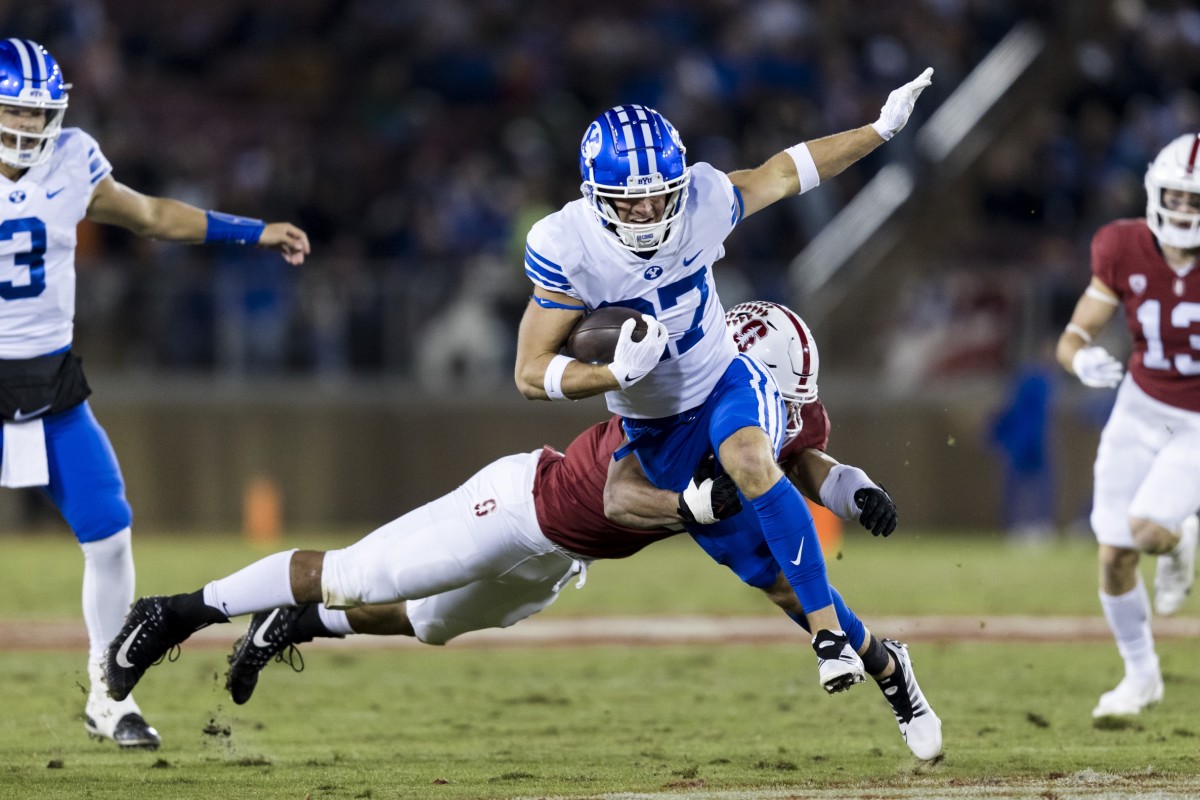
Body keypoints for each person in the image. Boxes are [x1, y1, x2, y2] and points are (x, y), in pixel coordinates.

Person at [104, 300, 941, 761]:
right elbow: (619, 500)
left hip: (560, 560)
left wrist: (856, 488)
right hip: (523, 507)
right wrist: (692, 509)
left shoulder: (769, 411)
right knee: (359, 574)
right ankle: (177, 611)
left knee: (427, 624)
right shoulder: (665, 407)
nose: (782, 415)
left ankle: (299, 624)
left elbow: (804, 455)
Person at [512, 70, 933, 693]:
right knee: (772, 578)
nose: (651, 209)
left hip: (723, 378)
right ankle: (883, 664)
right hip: (655, 425)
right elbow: (529, 371)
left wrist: (879, 129)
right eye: (633, 199)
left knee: (750, 458)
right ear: (596, 195)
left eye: (661, 194)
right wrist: (608, 374)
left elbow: (785, 172)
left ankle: (828, 642)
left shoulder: (703, 201)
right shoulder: (567, 246)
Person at [0, 38, 310, 749]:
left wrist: (252, 232)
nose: (27, 124)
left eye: (38, 110)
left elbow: (150, 216)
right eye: (14, 107)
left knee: (109, 529)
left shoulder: (72, 157)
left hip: (48, 379)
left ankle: (109, 695)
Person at [1056, 132, 1200, 719]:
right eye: (1177, 196)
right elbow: (1073, 334)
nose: (1185, 210)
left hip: (1196, 421)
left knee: (1145, 531)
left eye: (1196, 200)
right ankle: (1142, 678)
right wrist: (1079, 357)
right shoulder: (1121, 245)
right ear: (1154, 192)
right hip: (1139, 408)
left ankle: (1178, 538)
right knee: (1114, 553)